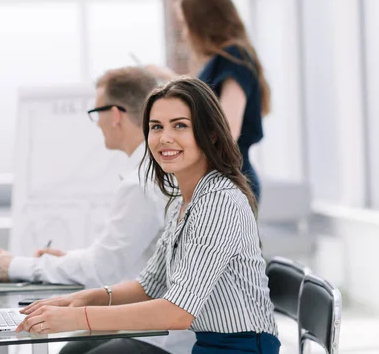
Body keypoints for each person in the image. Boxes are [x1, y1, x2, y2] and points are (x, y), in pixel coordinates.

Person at [15, 77, 280, 354]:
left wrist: (79, 318)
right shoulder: (184, 200)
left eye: (180, 125)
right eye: (156, 127)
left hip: (243, 349)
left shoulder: (218, 202)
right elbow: (150, 286)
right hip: (208, 345)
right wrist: (82, 299)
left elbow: (179, 312)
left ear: (211, 133)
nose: (165, 138)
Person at [0, 66, 196, 353]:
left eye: (96, 112)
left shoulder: (143, 181)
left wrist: (17, 266)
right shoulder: (151, 173)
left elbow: (103, 268)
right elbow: (124, 260)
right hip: (152, 321)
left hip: (166, 334)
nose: (97, 122)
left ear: (115, 114)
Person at [146, 0, 271, 201]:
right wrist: (168, 77)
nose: (185, 35)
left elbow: (228, 129)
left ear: (204, 25)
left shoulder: (234, 58)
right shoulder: (227, 59)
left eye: (187, 25)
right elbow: (208, 102)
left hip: (230, 181)